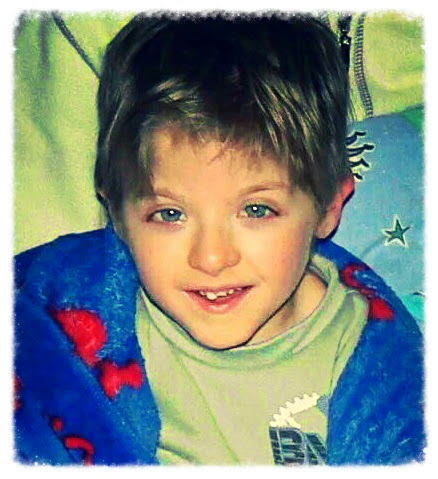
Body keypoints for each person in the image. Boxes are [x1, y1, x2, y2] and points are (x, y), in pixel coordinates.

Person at [14, 13, 425, 465]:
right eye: (169, 214)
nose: (211, 258)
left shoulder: (380, 374)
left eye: (257, 210)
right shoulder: (56, 301)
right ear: (118, 215)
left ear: (328, 207)